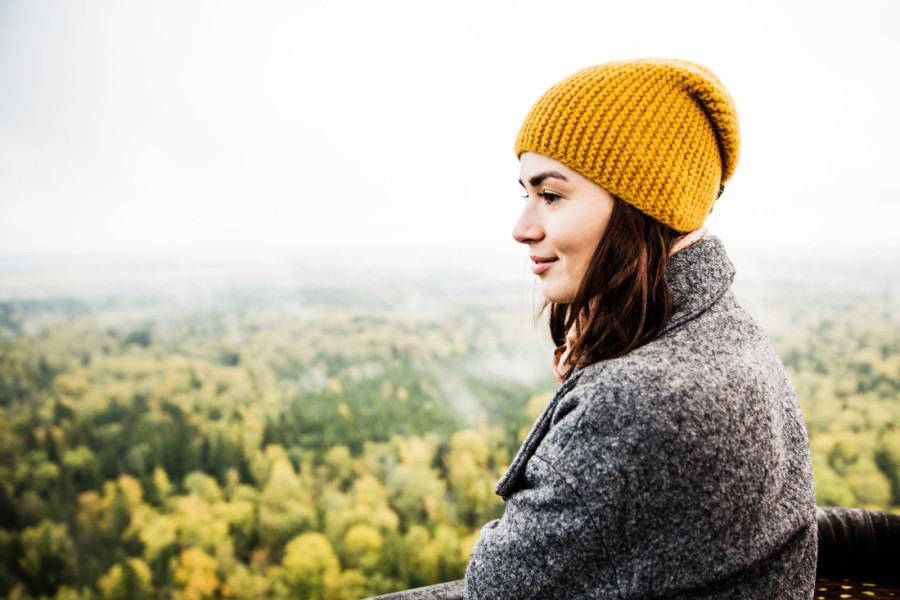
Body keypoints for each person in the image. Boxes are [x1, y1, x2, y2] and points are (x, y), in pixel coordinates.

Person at [463, 59, 818, 599]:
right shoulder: (728, 332)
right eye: (525, 194)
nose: (522, 227)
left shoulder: (634, 399)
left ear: (641, 206)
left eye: (550, 195)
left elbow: (496, 589)